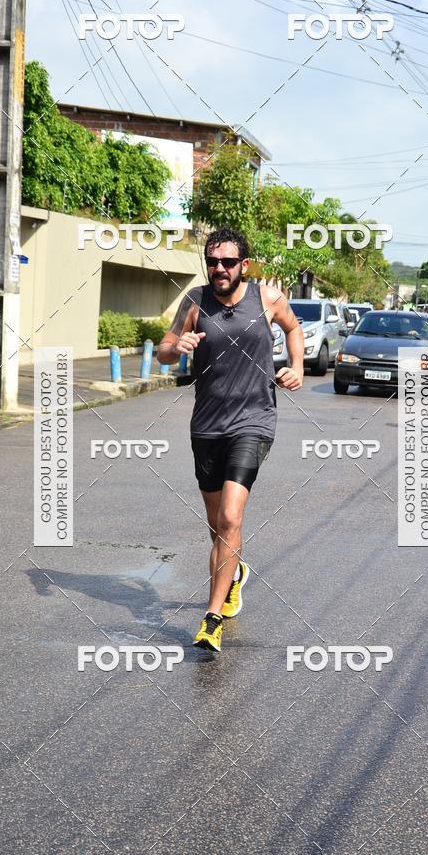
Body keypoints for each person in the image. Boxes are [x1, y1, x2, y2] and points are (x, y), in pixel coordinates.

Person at [157, 227, 304, 652]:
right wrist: (176, 346)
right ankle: (235, 572)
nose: (218, 269)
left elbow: (294, 329)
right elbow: (165, 348)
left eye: (227, 262)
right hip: (206, 425)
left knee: (230, 519)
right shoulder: (194, 301)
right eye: (212, 261)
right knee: (216, 526)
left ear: (244, 264)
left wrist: (296, 365)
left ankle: (212, 617)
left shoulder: (268, 299)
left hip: (253, 421)